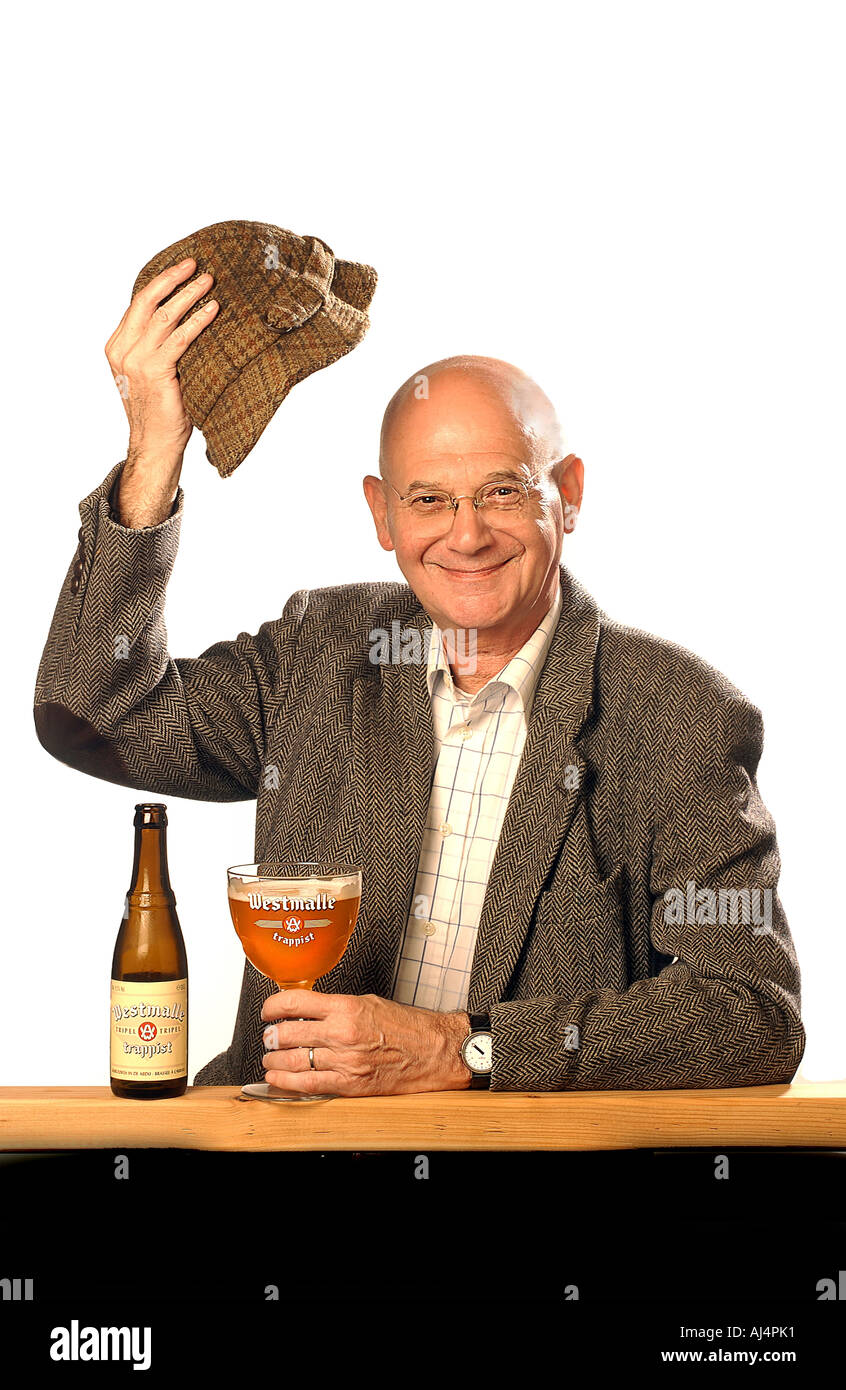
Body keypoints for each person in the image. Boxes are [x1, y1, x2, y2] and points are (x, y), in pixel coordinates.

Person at [33, 257, 805, 1095]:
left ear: (569, 494)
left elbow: (750, 1013)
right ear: (382, 514)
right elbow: (93, 712)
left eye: (503, 492)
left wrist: (466, 1049)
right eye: (429, 500)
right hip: (289, 1161)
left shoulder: (678, 713)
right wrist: (155, 448)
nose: (465, 536)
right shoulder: (319, 651)